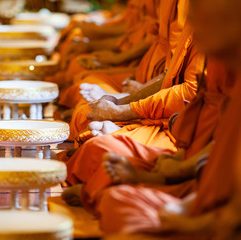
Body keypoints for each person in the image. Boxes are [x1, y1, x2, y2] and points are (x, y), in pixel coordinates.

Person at [91, 0, 241, 238]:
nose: (193, 23)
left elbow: (189, 91)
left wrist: (123, 108)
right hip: (194, 164)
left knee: (101, 152)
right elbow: (169, 69)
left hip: (202, 189)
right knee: (113, 187)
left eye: (202, 13)